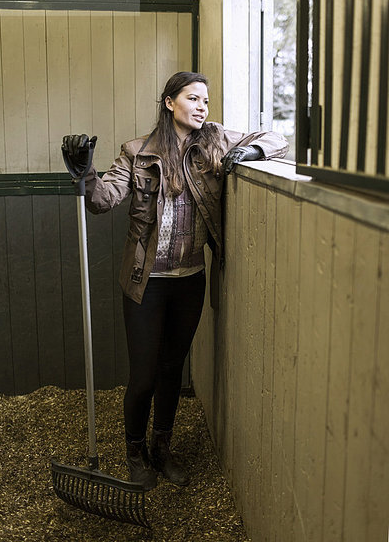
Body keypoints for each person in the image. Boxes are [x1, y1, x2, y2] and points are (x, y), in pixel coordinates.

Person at [62, 71, 288, 491]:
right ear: (169, 102)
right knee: (144, 374)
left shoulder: (214, 141)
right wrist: (85, 173)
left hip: (191, 279)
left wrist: (251, 150)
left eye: (206, 100)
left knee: (171, 369)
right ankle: (135, 453)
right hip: (145, 282)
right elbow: (100, 201)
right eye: (193, 98)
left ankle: (162, 449)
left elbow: (278, 139)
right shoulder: (136, 153)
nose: (203, 106)